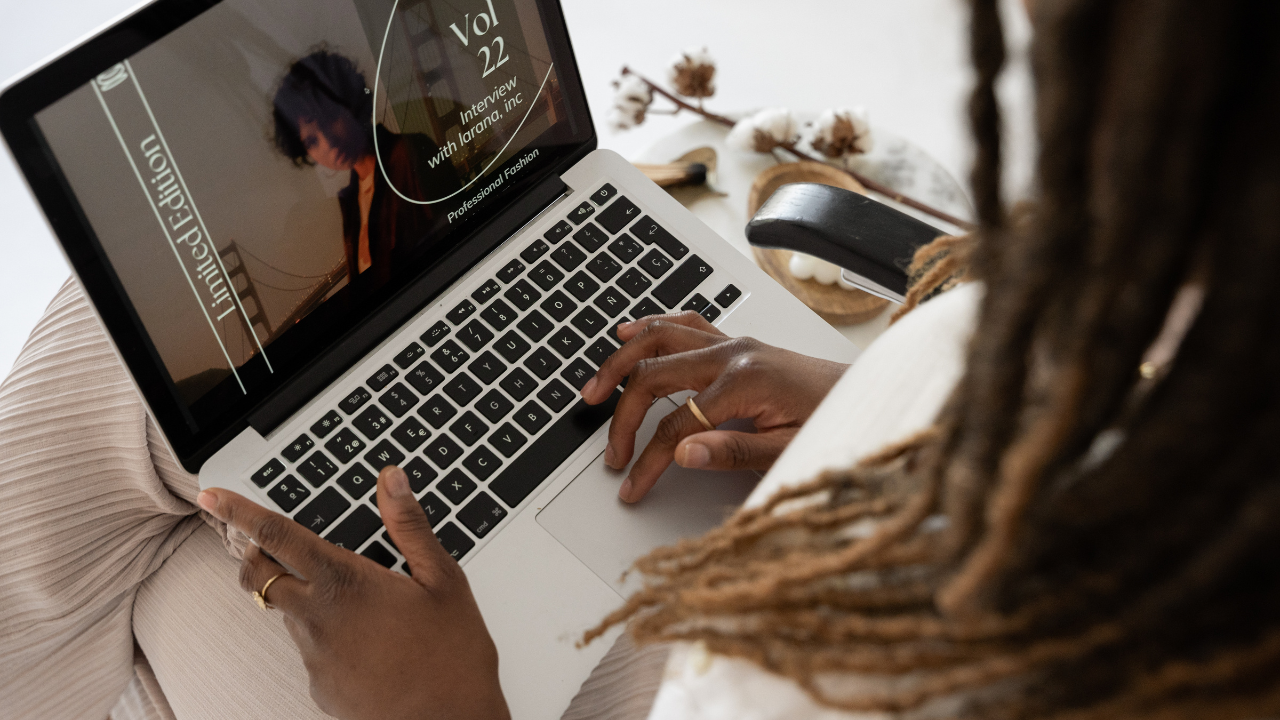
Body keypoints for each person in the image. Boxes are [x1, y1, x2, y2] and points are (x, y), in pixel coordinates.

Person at [3, 0, 1279, 718]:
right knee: (210, 425)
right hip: (818, 508)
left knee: (180, 446)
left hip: (605, 675)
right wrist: (890, 420)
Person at [272, 50, 460, 288]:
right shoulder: (352, 200)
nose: (328, 143)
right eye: (312, 141)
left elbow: (459, 243)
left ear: (349, 101)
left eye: (329, 117)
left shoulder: (410, 153)